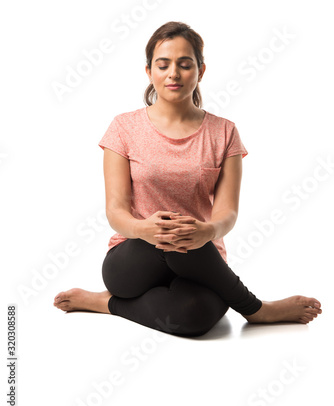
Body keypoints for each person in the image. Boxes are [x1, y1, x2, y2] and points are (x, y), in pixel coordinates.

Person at [54, 21, 322, 337]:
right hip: (133, 261)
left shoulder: (224, 132)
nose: (174, 74)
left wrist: (207, 230)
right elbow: (115, 211)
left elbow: (227, 213)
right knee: (174, 230)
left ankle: (107, 304)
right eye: (163, 64)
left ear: (201, 71)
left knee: (195, 317)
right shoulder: (123, 128)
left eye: (185, 64)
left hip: (199, 259)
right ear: (149, 71)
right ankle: (256, 309)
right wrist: (144, 229)